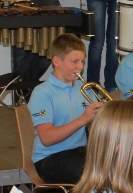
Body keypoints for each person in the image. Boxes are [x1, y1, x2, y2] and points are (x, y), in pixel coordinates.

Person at [28, 33, 102, 184]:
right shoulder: (42, 92)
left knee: (119, 166)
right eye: (74, 62)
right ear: (57, 61)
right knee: (93, 177)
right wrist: (83, 120)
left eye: (82, 61)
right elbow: (47, 139)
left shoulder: (84, 88)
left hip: (80, 151)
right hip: (50, 157)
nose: (80, 67)